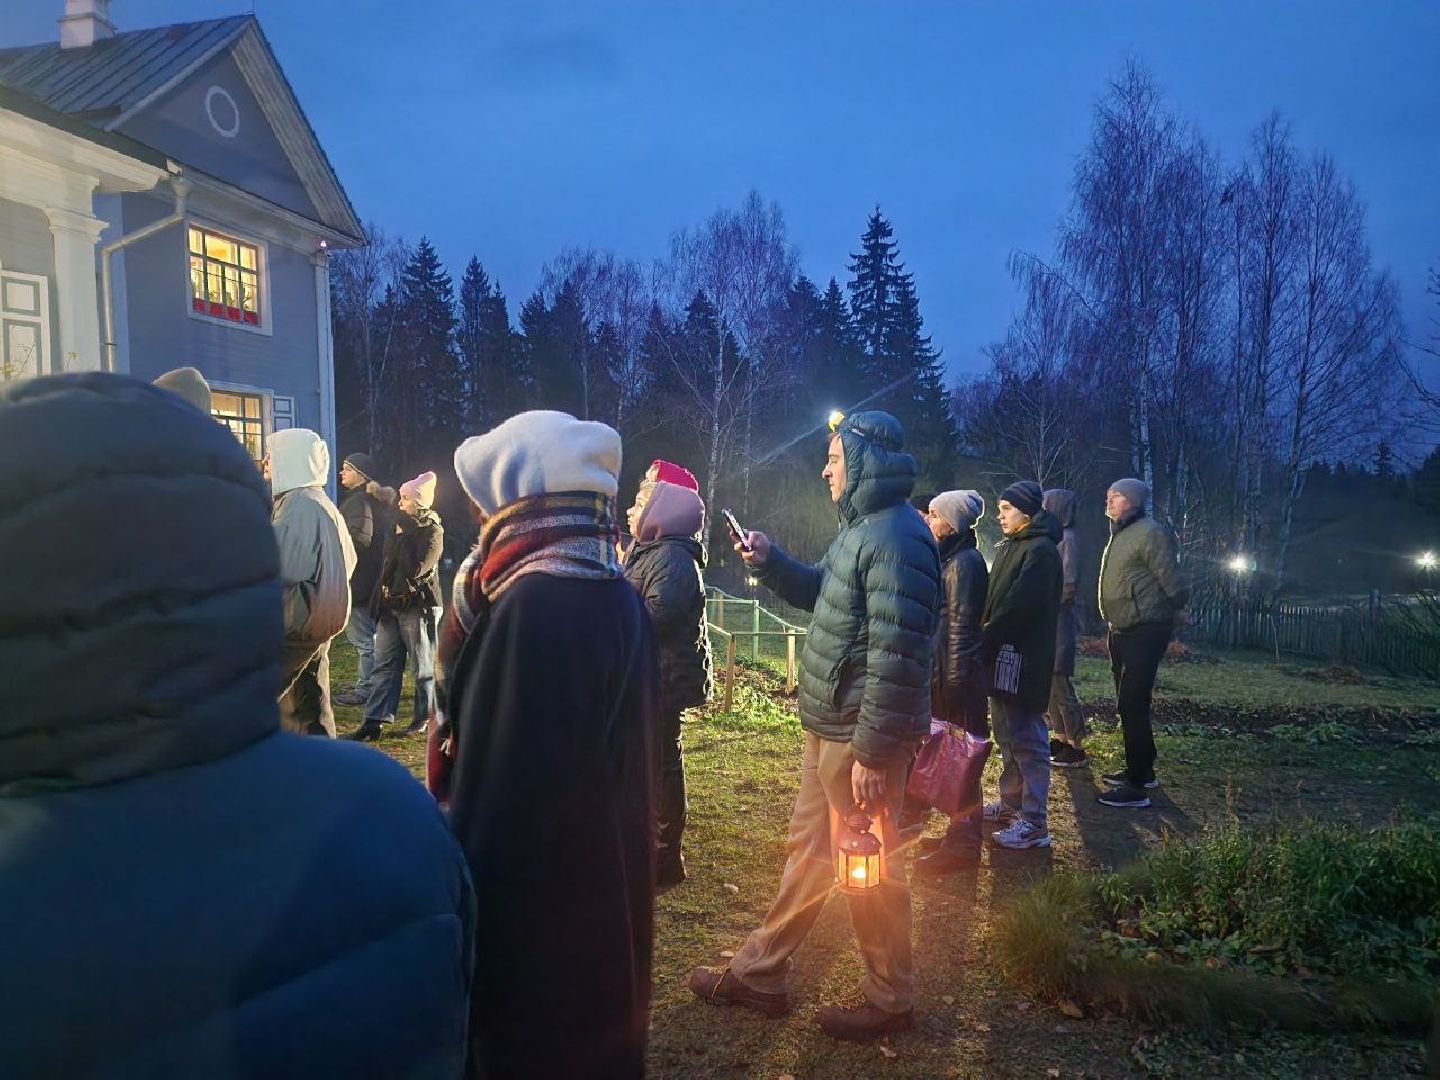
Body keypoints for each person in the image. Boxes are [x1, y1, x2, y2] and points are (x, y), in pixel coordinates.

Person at [0, 373, 474, 1077]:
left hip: (319, 619)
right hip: (321, 633)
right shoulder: (391, 815)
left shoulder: (29, 889)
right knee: (326, 694)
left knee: (371, 680)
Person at [689, 410, 939, 1042]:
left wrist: (873, 754)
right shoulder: (863, 532)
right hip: (831, 728)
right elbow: (821, 592)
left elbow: (897, 654)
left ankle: (891, 997)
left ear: (862, 464)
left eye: (834, 457)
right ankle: (761, 971)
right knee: (812, 853)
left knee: (868, 864)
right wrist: (771, 562)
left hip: (859, 738)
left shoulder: (899, 538)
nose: (825, 468)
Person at [443, 411, 659, 1079]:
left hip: (538, 940)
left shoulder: (533, 606)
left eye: (487, 502)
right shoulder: (615, 593)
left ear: (517, 502)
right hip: (607, 907)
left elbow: (498, 811)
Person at [623, 459, 714, 892]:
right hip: (646, 675)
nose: (630, 509)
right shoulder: (652, 551)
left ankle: (663, 854)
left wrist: (613, 614)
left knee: (660, 764)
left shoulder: (675, 559)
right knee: (646, 763)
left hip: (661, 679)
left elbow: (658, 614)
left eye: (642, 500)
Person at [1097, 478, 1190, 809]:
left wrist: (1179, 605)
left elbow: (1171, 576)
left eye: (1116, 495)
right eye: (1108, 495)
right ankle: (1143, 768)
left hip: (1145, 628)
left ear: (1133, 500)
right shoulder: (1121, 532)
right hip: (1122, 629)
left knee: (1132, 703)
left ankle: (1136, 786)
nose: (1108, 500)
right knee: (1127, 702)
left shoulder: (1150, 532)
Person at [913, 490, 993, 876]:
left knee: (964, 764)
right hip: (949, 676)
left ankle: (963, 844)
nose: (927, 520)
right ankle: (956, 836)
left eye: (933, 515)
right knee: (955, 762)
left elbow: (961, 631)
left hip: (958, 681)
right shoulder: (954, 559)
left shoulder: (964, 564)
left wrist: (955, 690)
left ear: (952, 524)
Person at [980, 481, 1063, 850]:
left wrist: (986, 636)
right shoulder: (1014, 546)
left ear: (1027, 512)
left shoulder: (1041, 552)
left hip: (1023, 659)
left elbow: (1019, 607)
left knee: (1027, 737)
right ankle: (1011, 804)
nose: (1000, 514)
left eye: (1007, 508)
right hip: (1002, 656)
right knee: (1007, 735)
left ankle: (1034, 822)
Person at [267, 427, 356, 738]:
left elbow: (276, 564)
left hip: (298, 621)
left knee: (259, 698)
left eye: (273, 456)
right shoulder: (321, 502)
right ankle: (320, 763)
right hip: (320, 618)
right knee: (310, 700)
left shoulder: (298, 505)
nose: (266, 463)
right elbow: (350, 560)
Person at [349, 471, 444, 741]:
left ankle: (424, 718)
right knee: (384, 664)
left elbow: (415, 568)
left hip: (419, 606)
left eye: (405, 499)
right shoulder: (397, 527)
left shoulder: (432, 531)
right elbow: (387, 566)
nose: (400, 504)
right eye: (400, 498)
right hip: (391, 606)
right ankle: (374, 720)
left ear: (420, 502)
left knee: (422, 667)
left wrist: (404, 535)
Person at [334, 452, 394, 708]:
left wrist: (337, 554)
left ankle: (366, 688)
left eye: (346, 469)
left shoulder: (358, 502)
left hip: (359, 580)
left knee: (363, 639)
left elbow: (358, 539)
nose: (341, 473)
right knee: (368, 637)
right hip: (369, 579)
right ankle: (368, 683)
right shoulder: (369, 501)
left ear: (360, 474)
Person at [1043, 487, 1088, 769]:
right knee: (1049, 682)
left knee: (1060, 680)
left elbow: (1067, 584)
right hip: (1048, 619)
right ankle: (1060, 736)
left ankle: (1076, 742)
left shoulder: (1067, 539)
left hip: (1058, 619)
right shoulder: (1055, 537)